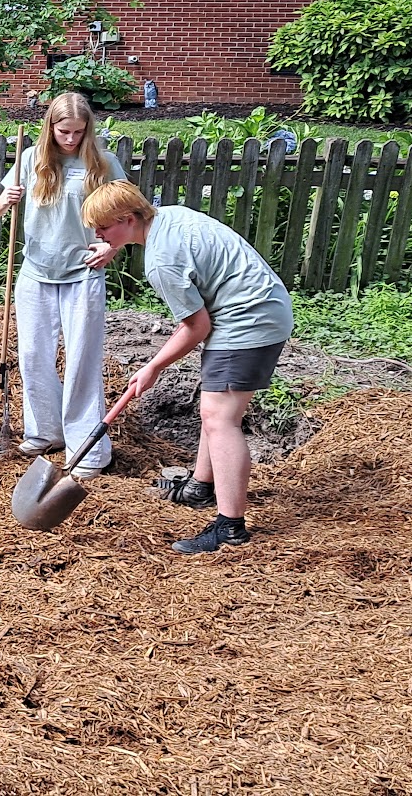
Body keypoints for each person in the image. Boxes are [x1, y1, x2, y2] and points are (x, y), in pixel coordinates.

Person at [82, 179, 293, 554]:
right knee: (214, 409)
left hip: (249, 319)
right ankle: (200, 487)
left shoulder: (162, 261)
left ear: (128, 219)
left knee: (219, 417)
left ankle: (230, 527)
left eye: (103, 227)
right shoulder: (170, 216)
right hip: (258, 307)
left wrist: (153, 366)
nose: (97, 234)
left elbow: (196, 326)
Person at [0, 92, 127, 478]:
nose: (71, 139)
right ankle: (46, 431)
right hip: (36, 271)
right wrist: (6, 200)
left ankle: (88, 449)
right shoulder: (31, 158)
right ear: (51, 127)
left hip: (82, 273)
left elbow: (128, 215)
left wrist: (110, 248)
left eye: (79, 132)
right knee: (33, 355)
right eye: (64, 131)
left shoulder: (103, 164)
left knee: (82, 360)